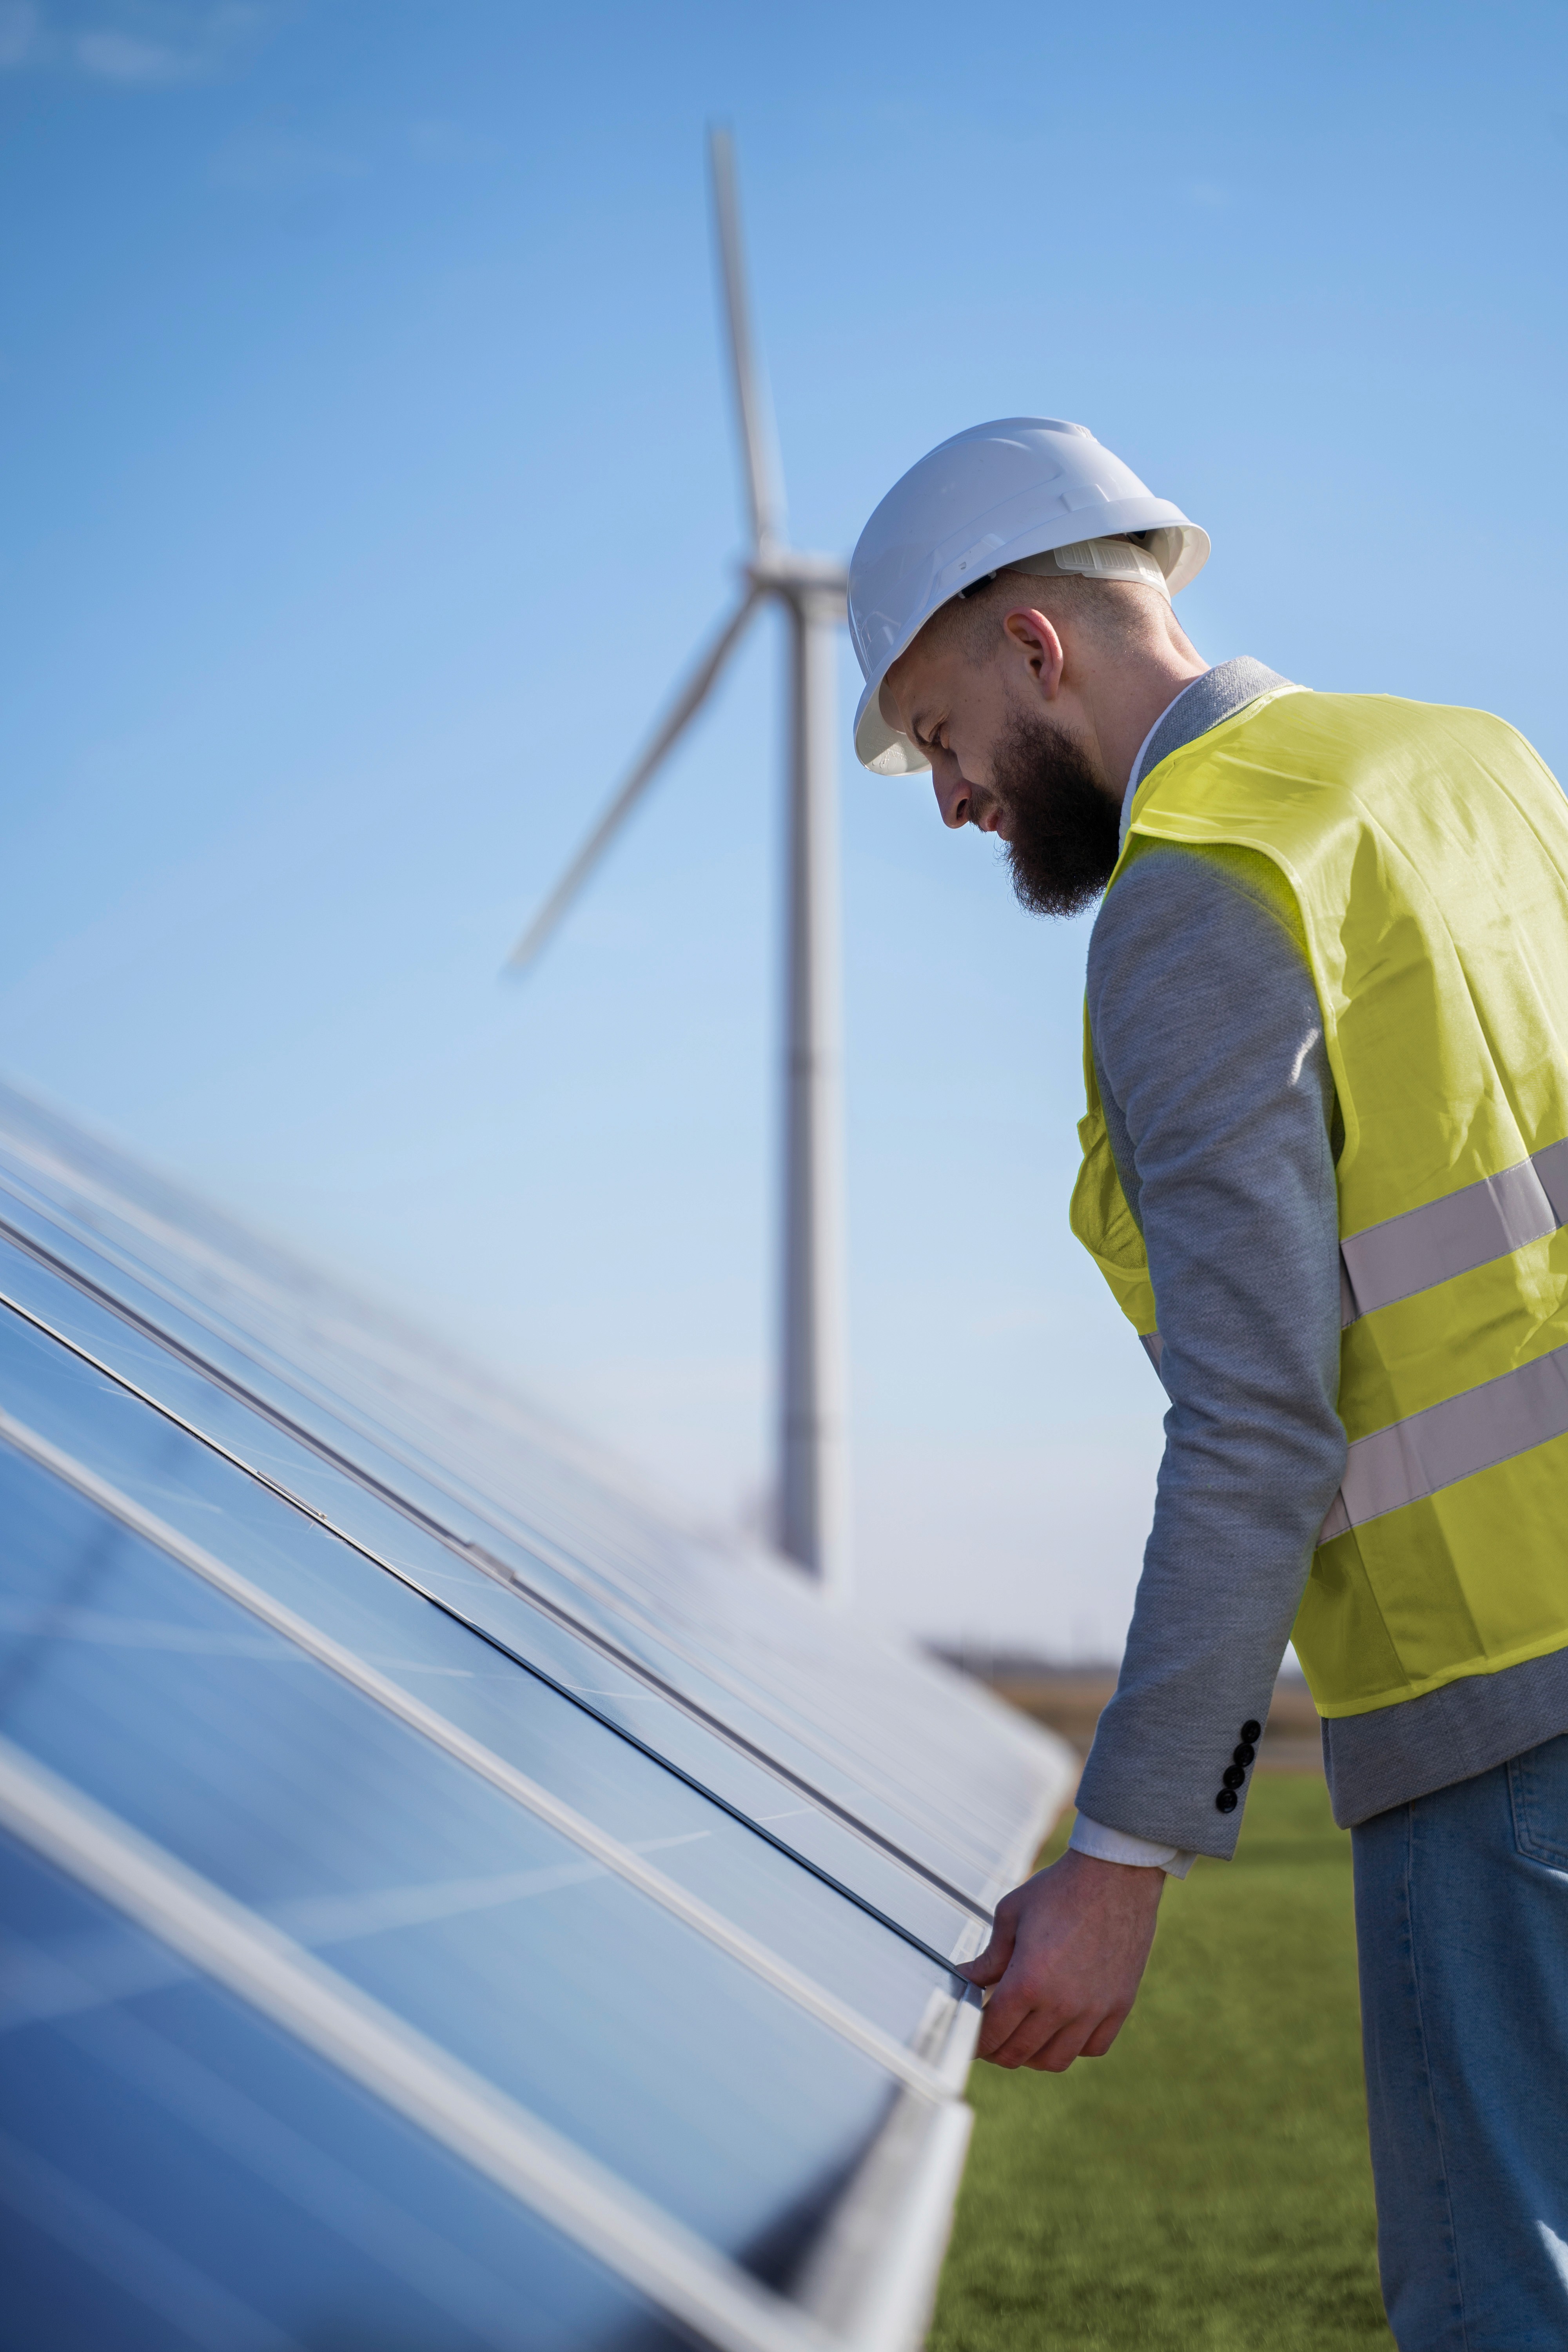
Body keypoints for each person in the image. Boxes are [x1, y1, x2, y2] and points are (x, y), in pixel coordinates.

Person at [847, 418, 1568, 2352]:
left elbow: (1258, 1420)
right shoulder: (1477, 764)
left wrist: (1120, 1863)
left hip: (1501, 1720)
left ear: (1035, 646)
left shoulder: (1200, 891)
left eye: (938, 738)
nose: (950, 803)